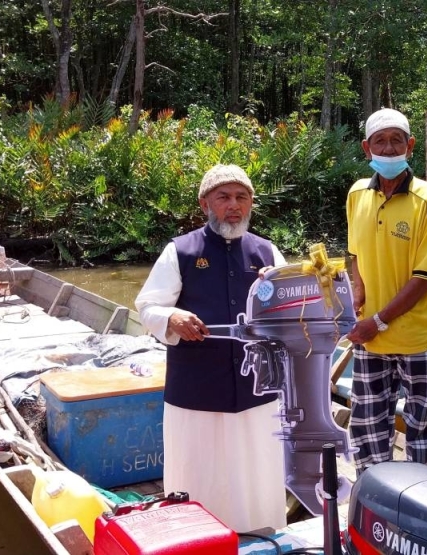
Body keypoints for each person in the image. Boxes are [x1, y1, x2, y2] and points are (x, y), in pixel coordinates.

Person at [135, 164, 287, 533]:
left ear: (251, 203)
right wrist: (171, 318)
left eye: (241, 197)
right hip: (196, 388)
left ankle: (261, 536)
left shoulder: (267, 252)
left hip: (258, 389)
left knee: (257, 476)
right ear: (205, 203)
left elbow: (294, 308)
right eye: (224, 197)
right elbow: (148, 306)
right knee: (198, 472)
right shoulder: (182, 251)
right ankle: (196, 539)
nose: (233, 205)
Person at [346, 108, 427, 473]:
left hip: (421, 341)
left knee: (422, 437)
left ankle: (419, 515)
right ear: (366, 148)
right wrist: (357, 292)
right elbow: (354, 254)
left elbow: (424, 278)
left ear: (409, 145)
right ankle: (373, 507)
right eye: (380, 141)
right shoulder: (357, 194)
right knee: (368, 434)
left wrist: (376, 320)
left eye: (396, 140)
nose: (388, 149)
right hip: (371, 342)